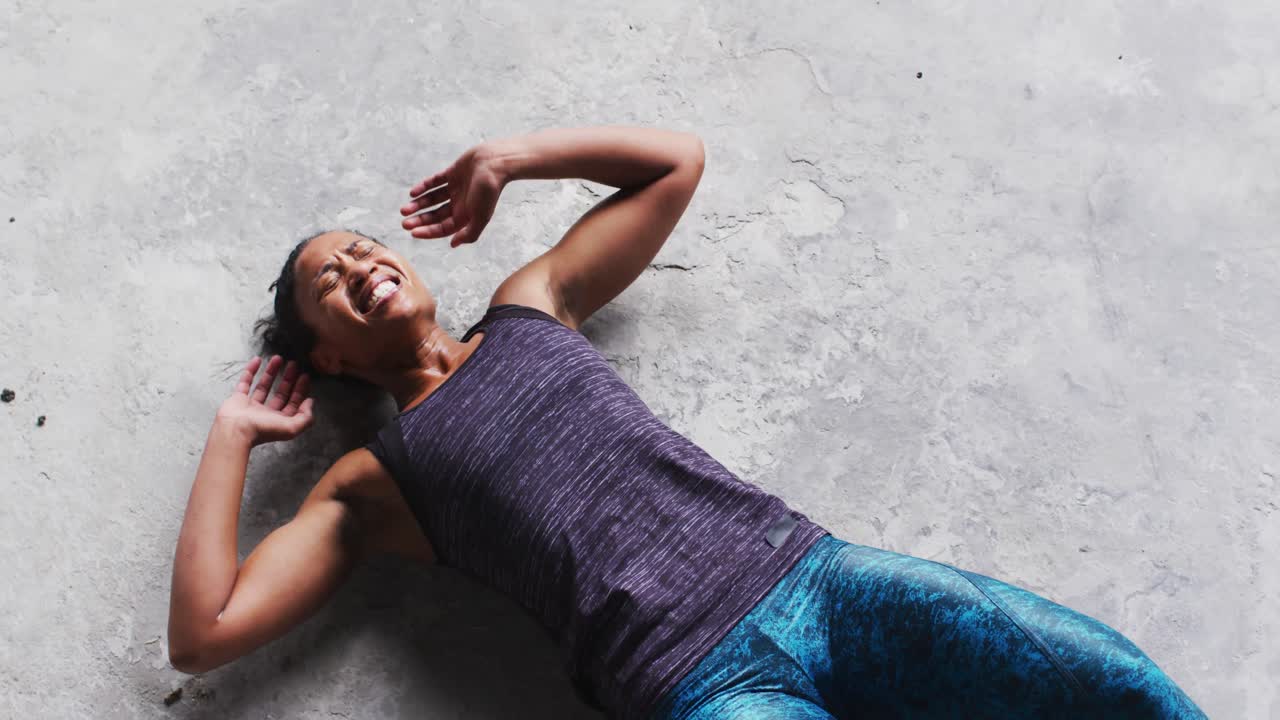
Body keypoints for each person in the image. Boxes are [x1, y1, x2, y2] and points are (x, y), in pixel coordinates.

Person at [167, 126, 1206, 719]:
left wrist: (511, 159)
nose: (357, 266)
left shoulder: (529, 308)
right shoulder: (372, 482)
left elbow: (673, 165)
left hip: (817, 581)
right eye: (329, 283)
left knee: (1112, 687)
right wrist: (231, 434)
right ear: (330, 356)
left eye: (358, 249)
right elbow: (203, 636)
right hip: (694, 684)